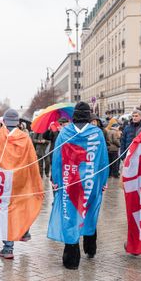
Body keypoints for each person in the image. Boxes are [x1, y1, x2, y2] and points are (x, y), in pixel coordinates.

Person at [49, 102, 109, 269]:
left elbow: (57, 159)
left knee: (71, 216)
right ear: (89, 115)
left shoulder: (64, 133)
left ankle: (71, 259)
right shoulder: (97, 133)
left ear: (74, 116)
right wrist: (103, 181)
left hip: (70, 182)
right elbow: (104, 160)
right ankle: (90, 248)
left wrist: (56, 180)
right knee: (90, 211)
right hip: (91, 181)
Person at [0, 109, 38, 259]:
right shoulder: (25, 138)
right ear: (18, 122)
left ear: (4, 121)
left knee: (5, 212)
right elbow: (33, 159)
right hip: (22, 179)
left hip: (2, 180)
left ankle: (8, 248)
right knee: (21, 206)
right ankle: (24, 230)